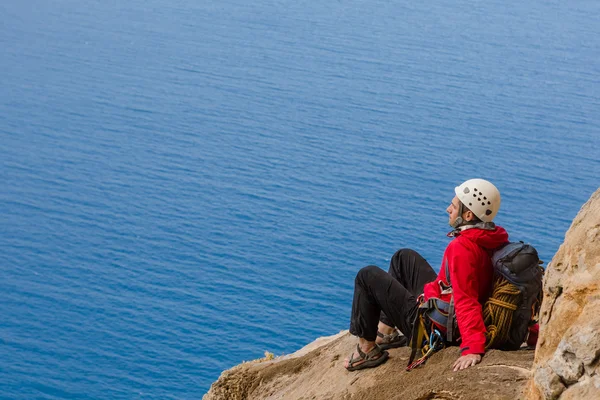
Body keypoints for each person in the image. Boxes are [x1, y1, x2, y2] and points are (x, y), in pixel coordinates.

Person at [344, 179, 509, 372]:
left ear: (468, 214)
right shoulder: (492, 237)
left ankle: (367, 349)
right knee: (403, 258)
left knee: (367, 276)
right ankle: (385, 332)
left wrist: (472, 348)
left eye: (454, 206)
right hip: (447, 307)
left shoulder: (462, 248)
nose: (448, 209)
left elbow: (466, 300)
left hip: (436, 327)